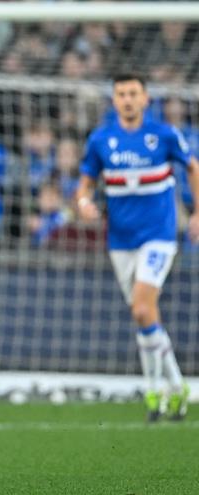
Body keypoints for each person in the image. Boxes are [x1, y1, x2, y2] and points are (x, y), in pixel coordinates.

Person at [76, 73, 199, 422]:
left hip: (159, 235)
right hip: (120, 240)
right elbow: (84, 185)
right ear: (114, 100)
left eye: (133, 93)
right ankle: (174, 388)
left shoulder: (163, 134)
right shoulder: (101, 139)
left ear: (146, 99)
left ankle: (154, 390)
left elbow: (193, 167)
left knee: (143, 310)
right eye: (121, 94)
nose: (127, 99)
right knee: (144, 315)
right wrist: (84, 202)